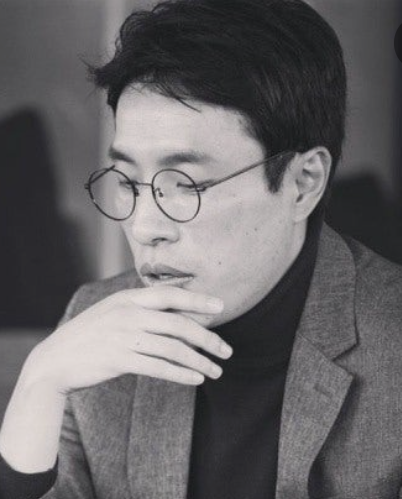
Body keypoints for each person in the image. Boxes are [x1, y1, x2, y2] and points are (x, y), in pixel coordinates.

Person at [1, 0, 402, 498]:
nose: (144, 226)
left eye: (185, 185)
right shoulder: (95, 328)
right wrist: (38, 383)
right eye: (127, 181)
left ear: (303, 182)